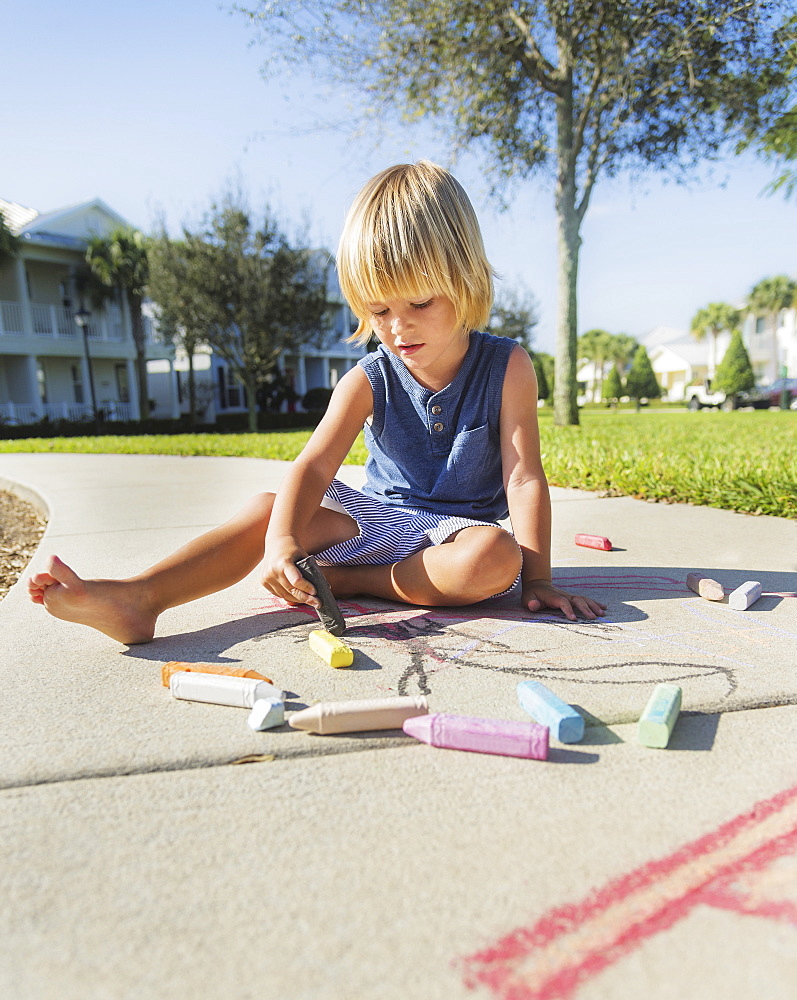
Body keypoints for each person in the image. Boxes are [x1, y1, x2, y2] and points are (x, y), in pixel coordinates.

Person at [28, 161, 606, 644]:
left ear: (466, 280)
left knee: (495, 561)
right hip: (381, 520)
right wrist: (281, 541)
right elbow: (314, 466)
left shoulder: (508, 367)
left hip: (461, 535)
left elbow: (524, 479)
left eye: (421, 302)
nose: (398, 326)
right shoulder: (369, 378)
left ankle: (351, 582)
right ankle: (141, 597)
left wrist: (537, 581)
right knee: (268, 508)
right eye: (378, 310)